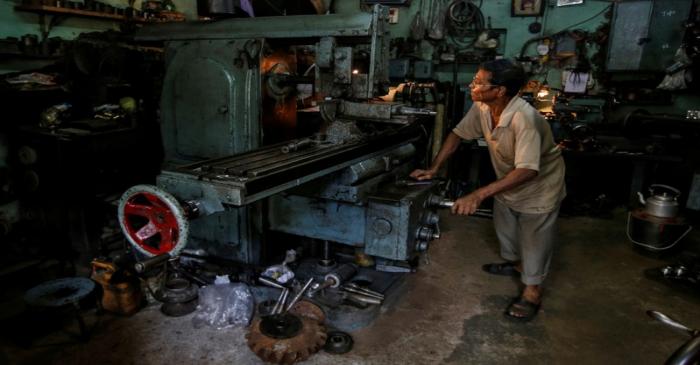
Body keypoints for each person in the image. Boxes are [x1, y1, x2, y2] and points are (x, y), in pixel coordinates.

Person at [410, 59, 566, 321]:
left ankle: (532, 292)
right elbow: (458, 134)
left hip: (539, 187)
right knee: (507, 230)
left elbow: (528, 170)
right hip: (507, 181)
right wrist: (434, 168)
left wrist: (479, 194)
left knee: (534, 240)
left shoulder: (523, 118)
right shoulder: (483, 106)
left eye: (480, 82)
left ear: (501, 90)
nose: (473, 85)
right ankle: (517, 265)